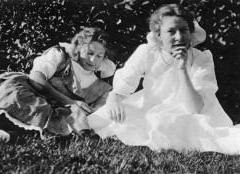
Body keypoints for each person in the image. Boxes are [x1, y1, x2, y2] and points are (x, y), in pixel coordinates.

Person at [88, 4, 240, 154]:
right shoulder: (148, 52)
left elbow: (196, 108)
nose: (179, 37)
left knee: (167, 124)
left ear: (191, 33)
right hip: (153, 104)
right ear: (159, 35)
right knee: (114, 115)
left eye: (184, 30)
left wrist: (182, 70)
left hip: (192, 110)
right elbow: (126, 80)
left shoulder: (201, 59)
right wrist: (115, 98)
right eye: (171, 31)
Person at [0, 27, 116, 141]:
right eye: (89, 52)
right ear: (78, 48)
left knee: (58, 124)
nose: (93, 60)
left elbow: (96, 116)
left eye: (99, 56)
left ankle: (7, 136)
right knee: (24, 105)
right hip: (31, 89)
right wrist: (69, 101)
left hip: (56, 112)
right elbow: (37, 80)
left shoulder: (103, 88)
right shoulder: (61, 55)